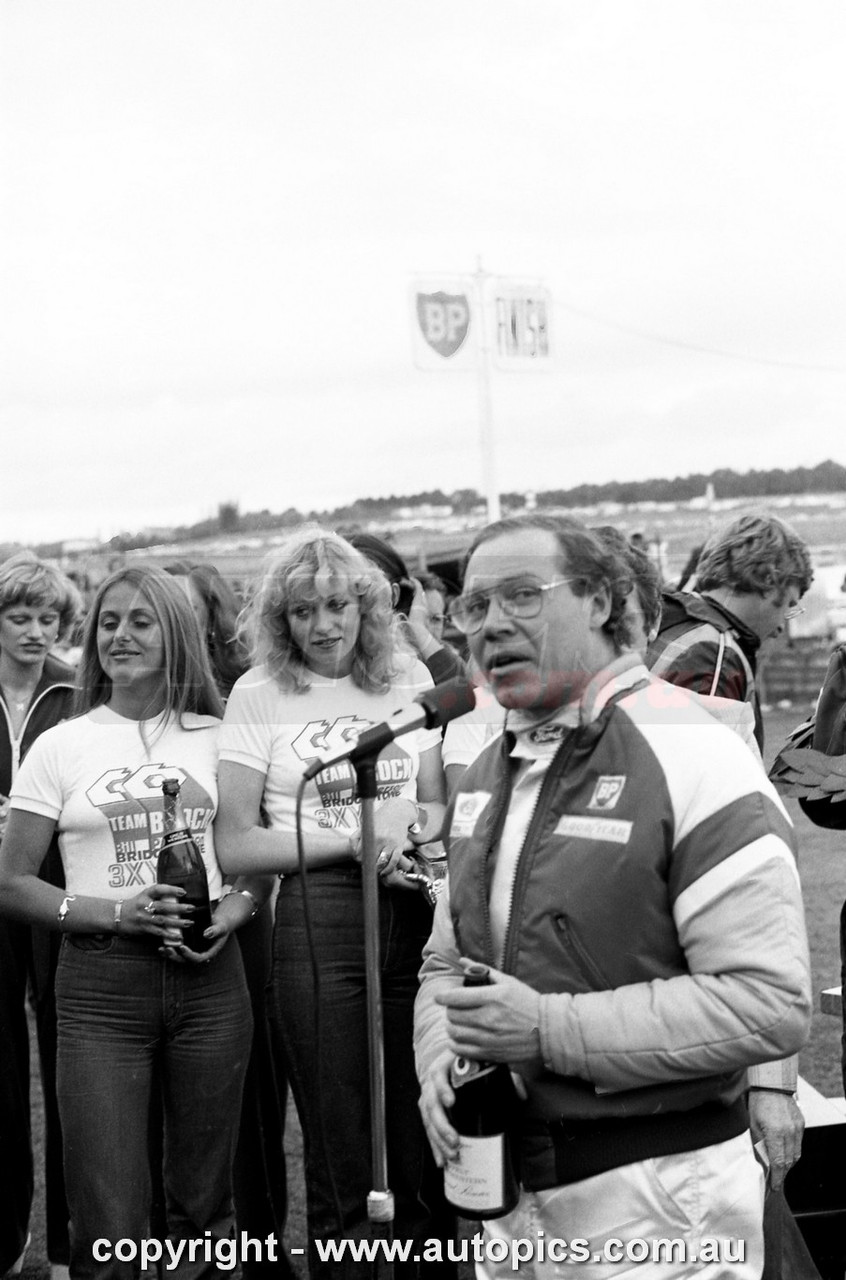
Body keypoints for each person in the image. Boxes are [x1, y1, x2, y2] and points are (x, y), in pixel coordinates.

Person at [414, 513, 811, 1279]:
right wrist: (442, 1063)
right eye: (474, 606)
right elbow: (444, 968)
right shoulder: (487, 774)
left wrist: (544, 1030)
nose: (491, 625)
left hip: (662, 1201)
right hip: (513, 1207)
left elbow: (768, 1003)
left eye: (523, 596)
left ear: (601, 601)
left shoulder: (696, 752)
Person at [0, 566, 261, 1280]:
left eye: (141, 621)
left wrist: (233, 913)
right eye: (109, 621)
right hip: (98, 989)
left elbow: (252, 854)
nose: (120, 635)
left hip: (211, 981)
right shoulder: (63, 744)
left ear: (175, 633)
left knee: (206, 1209)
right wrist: (113, 913)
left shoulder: (224, 734)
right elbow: (10, 880)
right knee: (108, 1215)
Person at [215, 527, 450, 1278]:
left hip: (412, 911)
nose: (324, 626)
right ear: (278, 621)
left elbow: (437, 805)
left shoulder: (408, 675)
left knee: (420, 1140)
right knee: (343, 1145)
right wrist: (350, 844)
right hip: (319, 919)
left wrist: (405, 837)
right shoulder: (258, 694)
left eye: (339, 606)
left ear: (368, 606)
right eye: (303, 612)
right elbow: (237, 843)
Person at [164, 560, 294, 1280]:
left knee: (250, 1103)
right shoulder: (113, 718)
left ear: (212, 620)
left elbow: (264, 827)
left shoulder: (240, 710)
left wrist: (244, 899)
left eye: (181, 612)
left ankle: (264, 1250)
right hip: (144, 933)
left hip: (244, 927)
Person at [0, 554, 80, 1280]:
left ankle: (66, 1245)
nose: (34, 630)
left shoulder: (78, 691)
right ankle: (5, 1239)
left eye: (48, 619)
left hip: (55, 897)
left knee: (67, 1072)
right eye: (19, 616)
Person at [647, 512, 813, 750]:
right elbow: (711, 771)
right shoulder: (717, 656)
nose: (779, 628)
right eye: (788, 605)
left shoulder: (674, 616)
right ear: (769, 580)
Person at [347, 533, 467, 686]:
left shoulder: (411, 667)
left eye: (369, 588)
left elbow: (467, 692)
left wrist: (418, 629)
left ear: (394, 595)